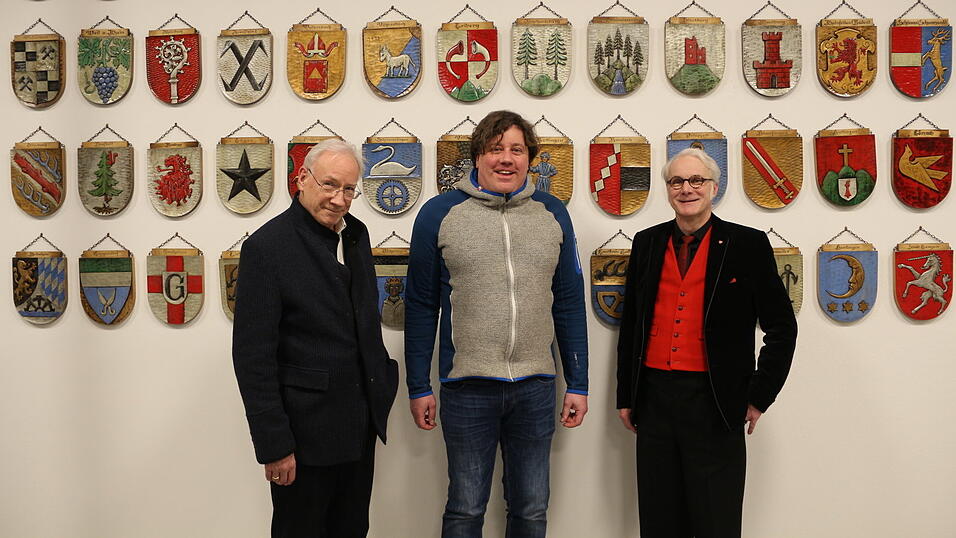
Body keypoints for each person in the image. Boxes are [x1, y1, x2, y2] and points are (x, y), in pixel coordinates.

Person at [404, 110, 589, 538]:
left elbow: (568, 303)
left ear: (530, 159)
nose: (506, 159)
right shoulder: (439, 213)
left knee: (531, 510)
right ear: (477, 156)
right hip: (466, 387)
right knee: (465, 508)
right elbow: (420, 305)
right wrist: (418, 385)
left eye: (517, 150)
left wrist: (578, 382)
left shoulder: (552, 213)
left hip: (536, 387)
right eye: (495, 149)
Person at [616, 147, 797, 538]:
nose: (686, 189)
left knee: (716, 520)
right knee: (659, 520)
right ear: (667, 189)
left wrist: (758, 396)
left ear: (714, 187)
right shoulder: (647, 242)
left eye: (696, 180)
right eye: (677, 181)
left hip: (716, 401)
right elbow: (631, 326)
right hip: (655, 398)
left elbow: (782, 327)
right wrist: (626, 395)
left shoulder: (747, 244)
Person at [232, 139, 399, 538]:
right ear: (302, 179)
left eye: (349, 189)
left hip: (359, 428)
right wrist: (275, 446)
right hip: (303, 437)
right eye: (329, 185)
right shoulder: (266, 248)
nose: (339, 199)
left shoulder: (356, 235)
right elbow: (253, 358)